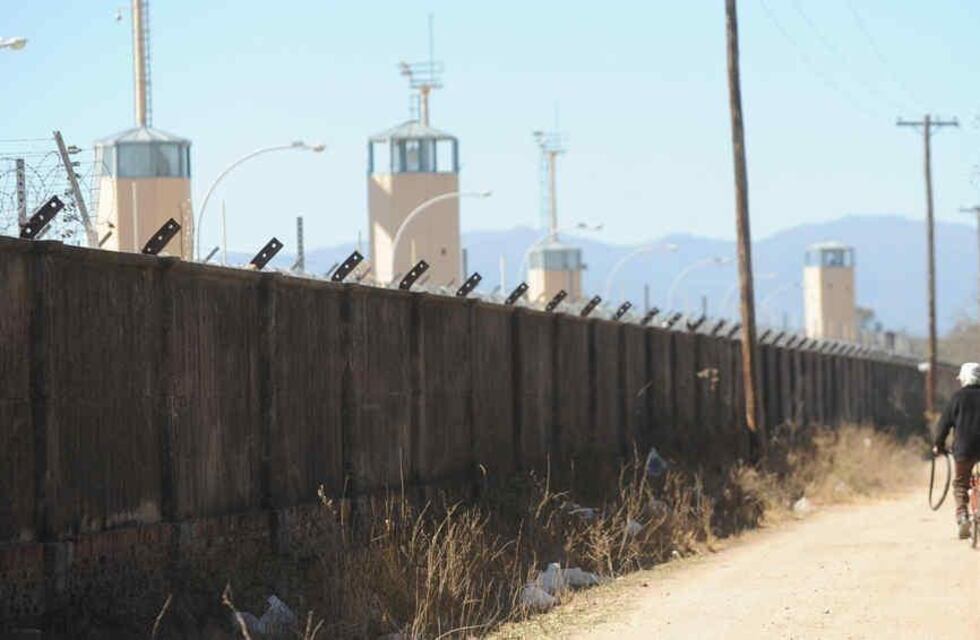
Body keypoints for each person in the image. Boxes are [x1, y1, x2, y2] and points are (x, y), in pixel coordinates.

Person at [932, 362, 980, 539]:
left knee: (961, 483)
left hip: (964, 450)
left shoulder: (957, 398)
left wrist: (938, 444)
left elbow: (944, 424)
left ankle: (962, 516)